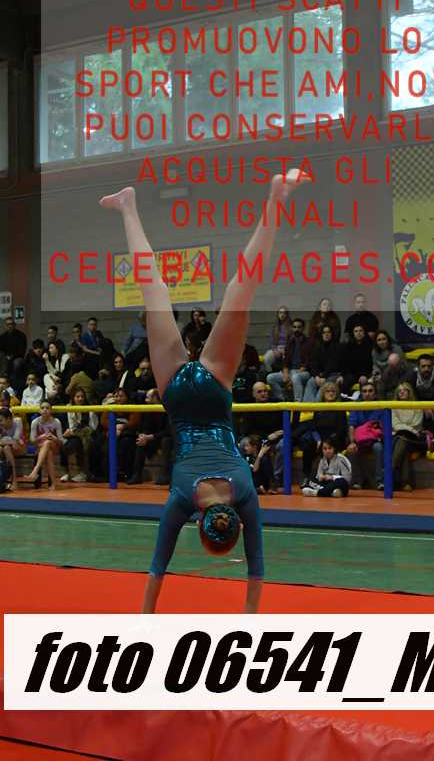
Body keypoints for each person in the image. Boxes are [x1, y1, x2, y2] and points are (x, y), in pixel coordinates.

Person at [99, 169, 310, 613]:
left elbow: (257, 572)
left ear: (232, 523)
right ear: (201, 526)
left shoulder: (245, 495)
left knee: (241, 291)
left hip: (215, 387)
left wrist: (251, 620)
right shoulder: (182, 500)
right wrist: (145, 620)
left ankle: (277, 196)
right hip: (175, 391)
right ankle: (128, 207)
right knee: (154, 291)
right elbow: (157, 570)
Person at [345, 380, 384, 490]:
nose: (367, 394)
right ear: (361, 393)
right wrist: (352, 442)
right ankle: (357, 481)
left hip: (375, 440)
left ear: (375, 394)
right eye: (364, 391)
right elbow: (351, 426)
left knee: (379, 448)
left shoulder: (381, 407)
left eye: (370, 391)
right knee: (352, 450)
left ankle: (380, 481)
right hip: (359, 440)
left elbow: (382, 428)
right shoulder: (356, 407)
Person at [266, 317, 311, 402]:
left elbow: (307, 362)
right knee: (270, 378)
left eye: (299, 327)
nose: (296, 329)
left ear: (303, 328)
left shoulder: (308, 342)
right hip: (290, 371)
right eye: (294, 327)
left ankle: (298, 403)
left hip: (303, 372)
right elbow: (286, 361)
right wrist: (286, 373)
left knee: (295, 377)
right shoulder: (290, 342)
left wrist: (293, 376)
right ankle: (282, 400)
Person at [391, 382, 426, 492]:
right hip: (399, 437)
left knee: (403, 441)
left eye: (404, 390)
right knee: (403, 446)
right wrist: (407, 428)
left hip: (414, 438)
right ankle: (405, 482)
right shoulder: (393, 406)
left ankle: (390, 472)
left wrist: (406, 429)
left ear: (409, 392)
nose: (401, 392)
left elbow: (417, 424)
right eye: (399, 391)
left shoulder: (417, 406)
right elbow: (395, 424)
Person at [60, 388, 98, 483]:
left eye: (82, 397)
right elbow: (70, 426)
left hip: (87, 434)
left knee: (85, 445)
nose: (80, 399)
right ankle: (66, 472)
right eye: (77, 397)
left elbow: (93, 427)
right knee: (65, 446)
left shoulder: (89, 409)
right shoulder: (69, 408)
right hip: (73, 435)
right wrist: (68, 432)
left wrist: (78, 432)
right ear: (73, 398)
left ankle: (85, 473)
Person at [25, 401, 64, 490]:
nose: (45, 410)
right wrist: (41, 437)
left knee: (47, 443)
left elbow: (61, 442)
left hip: (54, 446)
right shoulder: (35, 422)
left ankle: (35, 470)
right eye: (42, 408)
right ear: (39, 410)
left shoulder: (56, 422)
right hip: (40, 448)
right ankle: (53, 484)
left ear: (51, 410)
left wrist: (54, 438)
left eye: (47, 408)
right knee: (48, 453)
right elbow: (31, 441)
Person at [0, 407, 26, 491]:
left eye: (1, 420)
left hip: (20, 447)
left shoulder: (18, 421)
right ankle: (2, 480)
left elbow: (15, 441)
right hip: (6, 448)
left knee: (6, 448)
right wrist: (7, 442)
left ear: (9, 418)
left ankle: (14, 480)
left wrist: (5, 441)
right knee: (5, 448)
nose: (0, 423)